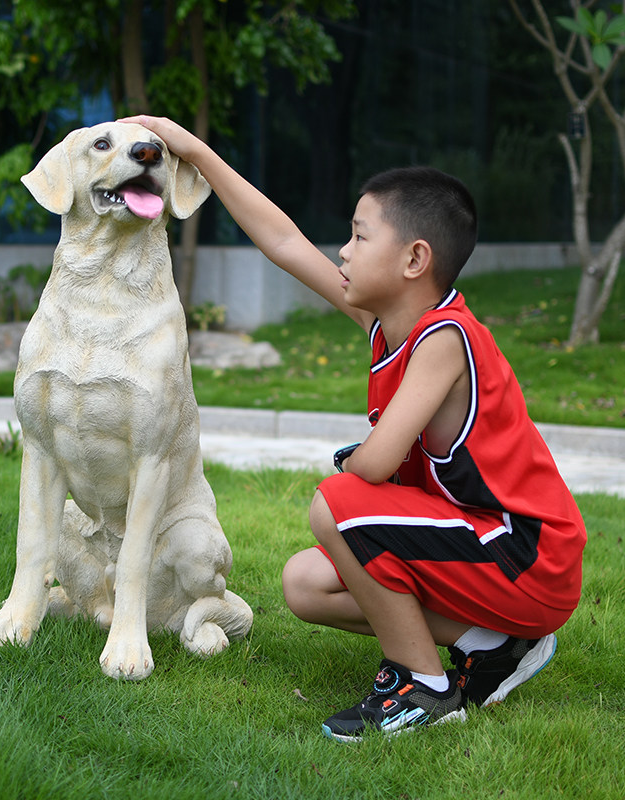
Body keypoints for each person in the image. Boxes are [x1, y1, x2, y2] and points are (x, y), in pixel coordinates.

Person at [120, 115, 587, 742]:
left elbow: (371, 467)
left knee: (337, 505)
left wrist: (352, 466)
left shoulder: (445, 339)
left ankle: (423, 683)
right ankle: (494, 645)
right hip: (482, 549)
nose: (343, 250)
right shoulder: (390, 318)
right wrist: (198, 152)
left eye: (360, 236)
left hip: (529, 558)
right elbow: (284, 242)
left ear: (414, 259)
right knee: (305, 584)